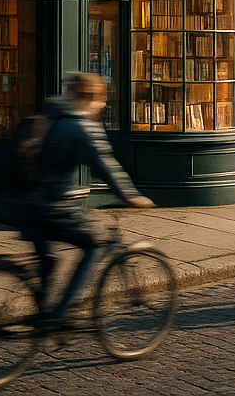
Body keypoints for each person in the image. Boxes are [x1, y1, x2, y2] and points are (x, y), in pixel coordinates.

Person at [24, 72, 153, 323]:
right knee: (96, 244)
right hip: (53, 207)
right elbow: (105, 166)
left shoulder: (52, 117)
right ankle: (59, 315)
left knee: (48, 263)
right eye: (102, 98)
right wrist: (130, 196)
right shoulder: (81, 127)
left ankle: (43, 315)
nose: (104, 104)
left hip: (29, 205)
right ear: (89, 97)